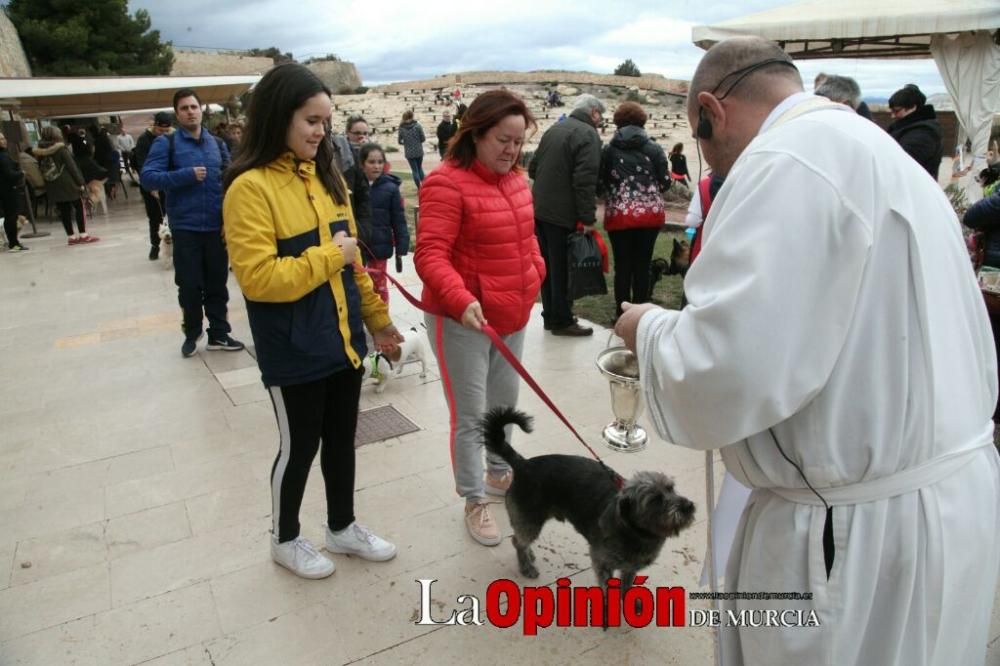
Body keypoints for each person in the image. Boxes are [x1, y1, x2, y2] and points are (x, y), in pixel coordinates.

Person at [615, 36, 999, 666]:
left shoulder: (784, 161)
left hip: (853, 532)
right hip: (942, 504)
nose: (714, 170)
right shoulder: (876, 148)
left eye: (704, 142)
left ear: (711, 110)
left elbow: (728, 368)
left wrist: (648, 328)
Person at [222, 63, 403, 580]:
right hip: (293, 347)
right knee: (299, 445)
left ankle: (342, 526)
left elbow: (354, 265)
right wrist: (331, 254)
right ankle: (284, 538)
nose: (320, 131)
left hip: (342, 339)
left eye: (325, 121)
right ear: (279, 116)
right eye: (310, 120)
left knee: (343, 439)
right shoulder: (249, 188)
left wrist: (380, 321)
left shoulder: (328, 179)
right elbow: (259, 278)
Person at [414, 89, 545, 546]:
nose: (511, 150)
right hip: (463, 320)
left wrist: (536, 273)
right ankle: (474, 498)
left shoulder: (517, 181)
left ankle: (500, 471)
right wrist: (458, 297)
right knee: (470, 415)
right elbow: (430, 253)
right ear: (476, 133)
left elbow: (527, 240)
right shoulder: (445, 184)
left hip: (512, 313)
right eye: (502, 140)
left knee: (503, 406)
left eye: (518, 142)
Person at [141, 89, 244, 358]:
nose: (190, 111)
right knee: (188, 285)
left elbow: (230, 182)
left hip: (214, 228)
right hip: (185, 228)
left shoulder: (217, 144)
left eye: (194, 106)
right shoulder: (168, 144)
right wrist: (185, 175)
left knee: (217, 284)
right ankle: (192, 331)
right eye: (184, 108)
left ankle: (219, 334)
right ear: (177, 114)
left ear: (201, 110)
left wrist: (228, 219)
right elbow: (149, 178)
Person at [528, 93, 605, 336]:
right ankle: (562, 321)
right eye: (600, 115)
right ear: (593, 112)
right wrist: (589, 218)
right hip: (562, 214)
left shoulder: (555, 129)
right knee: (562, 269)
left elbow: (532, 168)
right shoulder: (588, 134)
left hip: (540, 210)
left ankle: (550, 316)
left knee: (548, 267)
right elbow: (585, 181)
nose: (600, 120)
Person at [598, 101, 669, 321]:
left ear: (618, 121)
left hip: (619, 213)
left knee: (623, 266)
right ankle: (641, 316)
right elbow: (665, 182)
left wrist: (616, 189)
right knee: (643, 264)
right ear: (642, 121)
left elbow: (601, 181)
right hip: (649, 214)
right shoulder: (654, 148)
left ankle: (621, 314)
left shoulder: (609, 150)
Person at [358, 143, 408, 303]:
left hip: (379, 247)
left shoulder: (391, 188)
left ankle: (382, 320)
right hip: (358, 246)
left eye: (380, 162)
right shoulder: (354, 186)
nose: (376, 166)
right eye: (371, 162)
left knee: (378, 287)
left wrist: (401, 246)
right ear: (362, 164)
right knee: (359, 287)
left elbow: (398, 219)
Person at [34, 126, 99, 245]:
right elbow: (72, 167)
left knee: (64, 211)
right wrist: (81, 182)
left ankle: (71, 237)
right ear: (56, 135)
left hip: (52, 184)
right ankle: (83, 235)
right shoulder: (61, 149)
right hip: (68, 183)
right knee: (79, 207)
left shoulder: (39, 151)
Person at [134, 112, 174, 260]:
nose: (163, 134)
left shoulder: (174, 138)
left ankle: (176, 245)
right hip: (151, 185)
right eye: (160, 131)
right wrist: (151, 186)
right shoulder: (144, 140)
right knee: (155, 216)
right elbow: (141, 164)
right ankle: (155, 246)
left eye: (166, 131)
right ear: (154, 126)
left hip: (169, 183)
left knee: (172, 215)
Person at [887, 83, 943, 179]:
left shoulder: (924, 133)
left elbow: (902, 164)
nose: (893, 115)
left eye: (896, 111)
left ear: (913, 107)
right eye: (891, 111)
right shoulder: (907, 126)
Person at [0, 131, 27, 252]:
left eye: (4, 138)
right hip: (9, 190)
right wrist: (21, 173)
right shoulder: (2, 157)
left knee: (10, 216)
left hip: (5, 190)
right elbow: (9, 175)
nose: (4, 140)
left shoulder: (4, 155)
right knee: (11, 217)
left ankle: (13, 242)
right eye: (1, 139)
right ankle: (13, 243)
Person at [397, 110, 426, 188]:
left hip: (409, 152)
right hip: (419, 150)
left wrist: (405, 143)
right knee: (420, 168)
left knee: (414, 170)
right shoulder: (417, 126)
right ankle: (425, 185)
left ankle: (419, 187)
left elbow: (399, 141)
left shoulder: (401, 128)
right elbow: (423, 138)